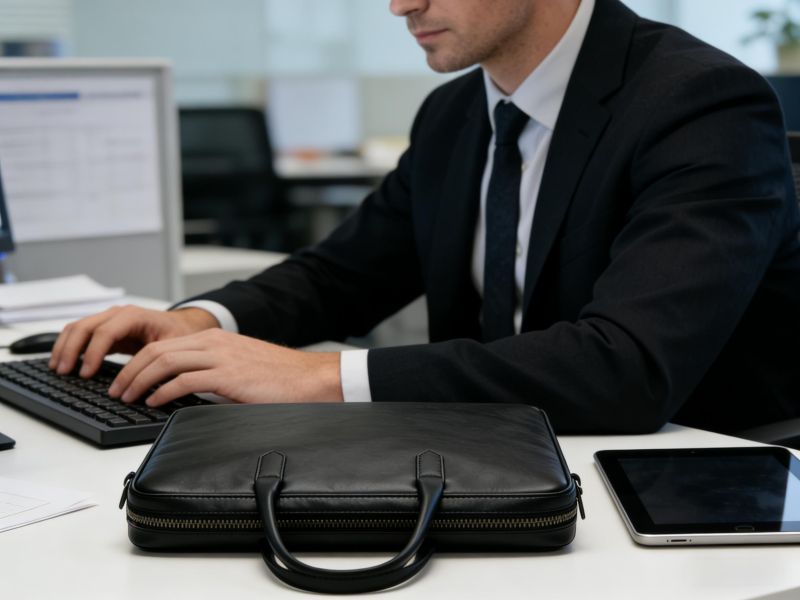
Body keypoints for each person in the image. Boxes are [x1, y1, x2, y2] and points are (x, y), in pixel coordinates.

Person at [49, 0, 800, 435]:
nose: (399, 2)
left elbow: (626, 368)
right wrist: (207, 321)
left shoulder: (698, 103)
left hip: (685, 475)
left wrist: (317, 377)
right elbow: (345, 272)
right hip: (503, 454)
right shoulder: (454, 114)